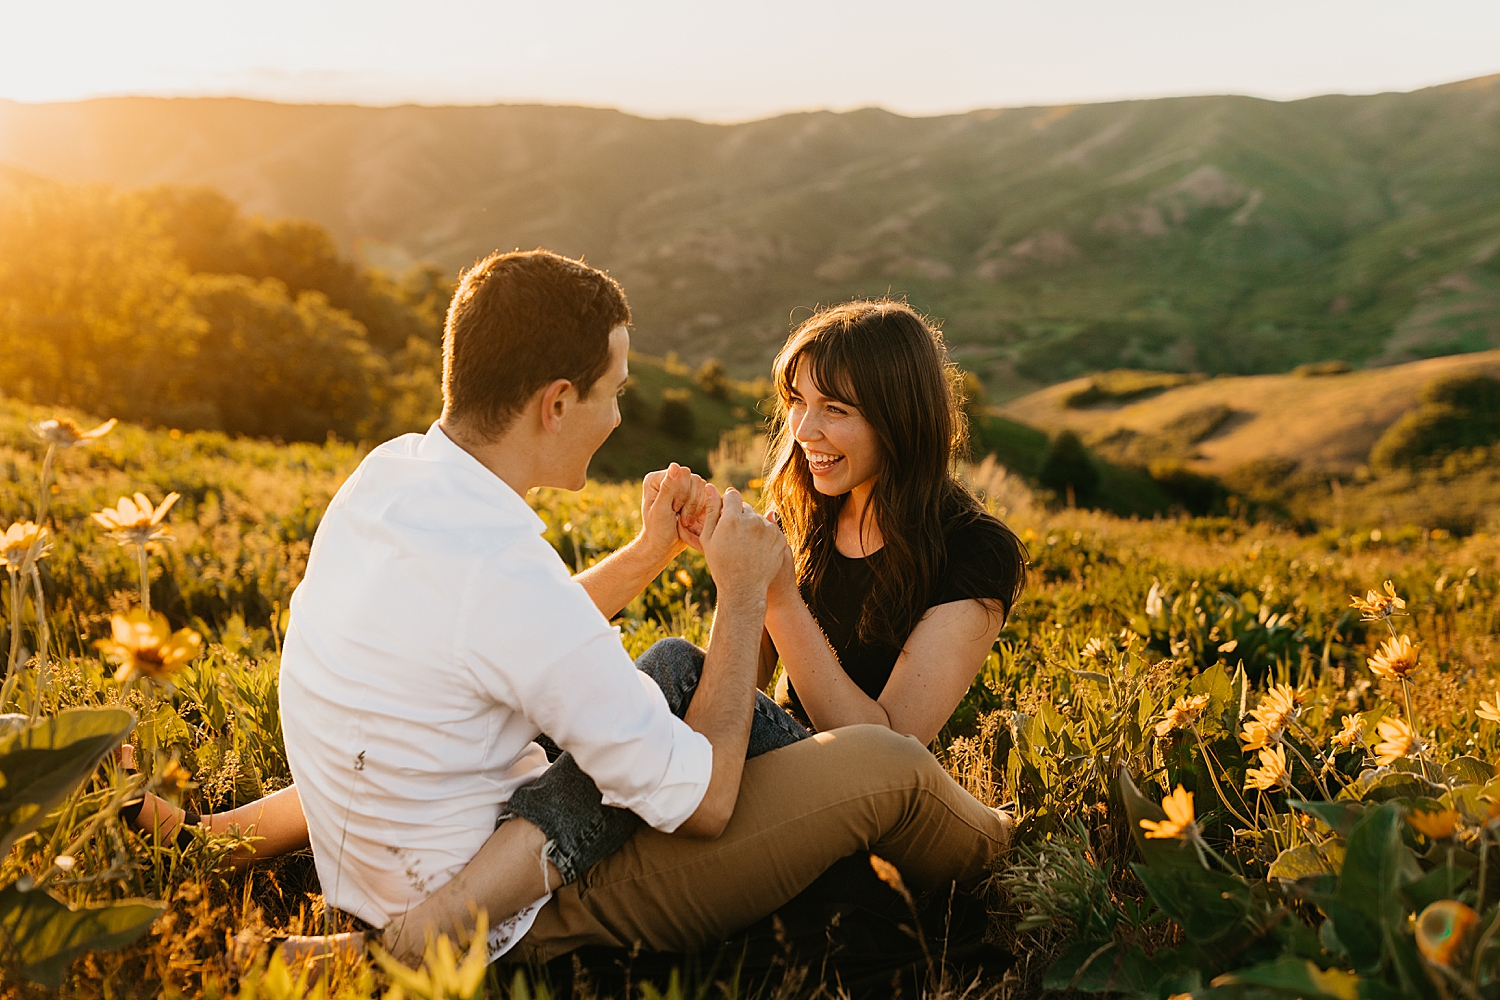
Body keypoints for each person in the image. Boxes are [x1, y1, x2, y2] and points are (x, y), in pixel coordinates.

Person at [122, 275, 1020, 963]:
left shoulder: (971, 550)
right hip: (750, 778)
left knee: (887, 760)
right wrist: (699, 578)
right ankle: (232, 850)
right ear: (558, 401)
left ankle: (1001, 842)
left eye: (836, 409)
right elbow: (706, 704)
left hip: (852, 759)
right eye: (799, 404)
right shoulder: (807, 507)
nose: (807, 430)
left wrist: (766, 596)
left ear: (896, 418)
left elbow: (881, 728)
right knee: (673, 661)